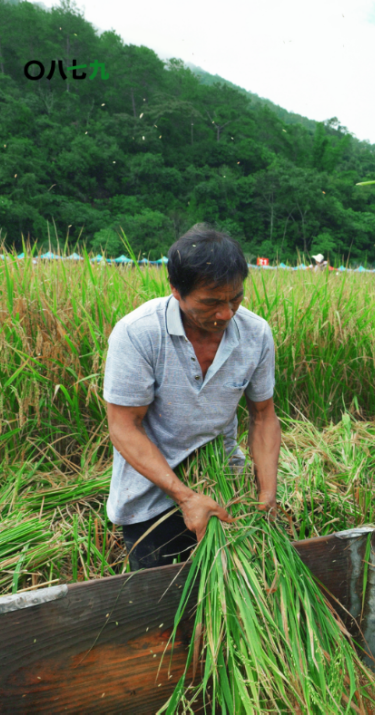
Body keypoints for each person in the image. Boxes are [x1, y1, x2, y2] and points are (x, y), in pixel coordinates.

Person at [104, 224, 281, 571]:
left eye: (236, 298)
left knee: (232, 598)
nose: (226, 314)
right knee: (164, 610)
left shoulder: (255, 333)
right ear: (176, 291)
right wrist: (185, 497)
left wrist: (266, 493)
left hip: (225, 490)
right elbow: (124, 427)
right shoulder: (139, 333)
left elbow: (263, 415)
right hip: (150, 496)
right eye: (211, 302)